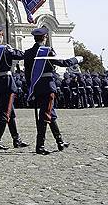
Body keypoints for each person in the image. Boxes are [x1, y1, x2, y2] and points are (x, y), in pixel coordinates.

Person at [23, 27, 82, 155]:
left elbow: (27, 74)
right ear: (45, 38)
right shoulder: (47, 51)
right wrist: (76, 59)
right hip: (48, 87)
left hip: (37, 88)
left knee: (51, 114)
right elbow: (63, 62)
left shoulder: (28, 53)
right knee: (45, 116)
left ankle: (60, 142)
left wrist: (31, 89)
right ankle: (40, 146)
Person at [0, 26, 29, 150]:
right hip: (6, 84)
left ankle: (16, 139)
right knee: (5, 113)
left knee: (10, 112)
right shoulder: (5, 49)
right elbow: (20, 55)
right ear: (1, 36)